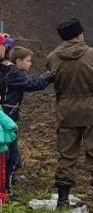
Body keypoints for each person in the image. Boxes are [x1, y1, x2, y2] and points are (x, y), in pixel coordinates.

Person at [47, 18, 93, 209]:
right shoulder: (92, 54)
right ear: (79, 34)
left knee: (66, 156)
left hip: (66, 112)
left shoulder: (52, 58)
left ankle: (63, 200)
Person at [1, 45, 53, 199]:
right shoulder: (13, 73)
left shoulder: (6, 69)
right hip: (7, 120)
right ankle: (6, 191)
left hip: (7, 117)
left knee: (11, 155)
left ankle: (8, 185)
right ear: (18, 61)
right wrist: (50, 75)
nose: (30, 63)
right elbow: (33, 84)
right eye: (28, 60)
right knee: (11, 156)